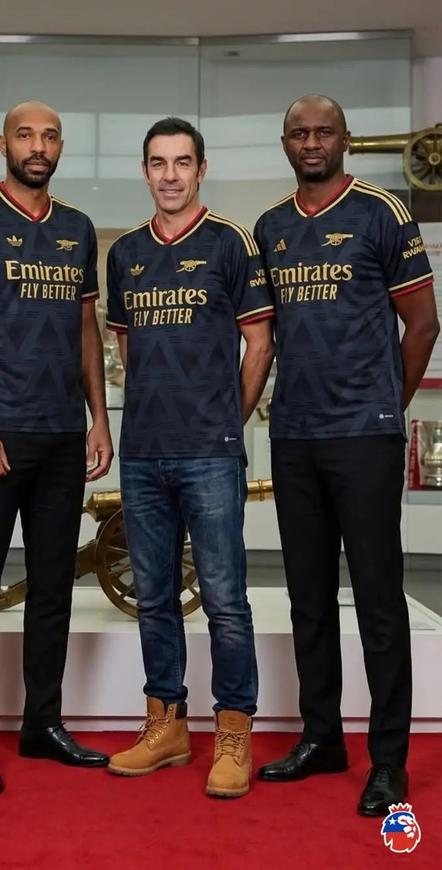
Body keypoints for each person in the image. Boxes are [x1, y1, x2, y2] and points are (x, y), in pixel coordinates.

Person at [253, 95, 440, 816]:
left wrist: (387, 401)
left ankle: (387, 760)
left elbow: (422, 324)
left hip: (365, 435)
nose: (312, 142)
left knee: (378, 601)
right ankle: (322, 737)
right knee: (307, 599)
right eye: (299, 132)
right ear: (285, 142)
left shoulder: (382, 213)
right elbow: (265, 335)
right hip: (295, 435)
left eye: (323, 132)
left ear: (345, 140)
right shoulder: (271, 227)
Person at [0, 101, 113, 795]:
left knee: (52, 589)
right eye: (25, 135)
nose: (37, 147)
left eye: (49, 137)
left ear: (60, 146)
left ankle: (42, 723)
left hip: (62, 437)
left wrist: (98, 418)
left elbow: (85, 327)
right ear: (4, 143)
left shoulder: (77, 228)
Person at [105, 117, 275, 798]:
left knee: (225, 600)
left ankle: (233, 731)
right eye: (158, 162)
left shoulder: (231, 243)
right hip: (143, 452)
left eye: (182, 162)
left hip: (211, 452)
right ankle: (166, 726)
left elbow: (259, 342)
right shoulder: (125, 253)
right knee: (154, 598)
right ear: (145, 171)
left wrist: (227, 420)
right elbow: (125, 345)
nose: (170, 174)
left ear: (201, 170)